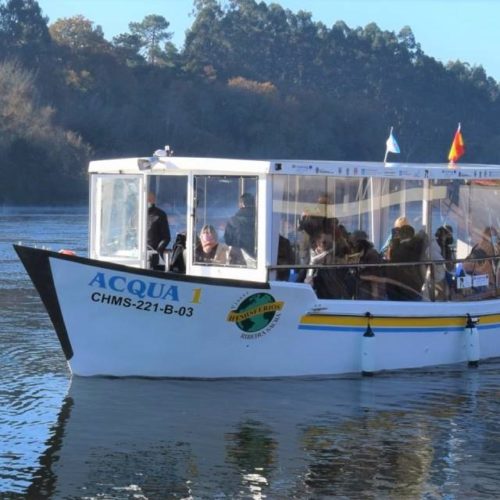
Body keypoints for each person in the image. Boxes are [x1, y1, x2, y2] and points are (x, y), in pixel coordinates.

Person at [348, 230, 383, 299]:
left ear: (360, 242)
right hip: (361, 288)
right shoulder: (362, 254)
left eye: (354, 243)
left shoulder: (371, 254)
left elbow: (374, 274)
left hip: (368, 290)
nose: (353, 246)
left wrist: (375, 293)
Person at [224, 193, 256, 258]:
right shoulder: (262, 220)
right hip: (257, 257)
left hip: (239, 259)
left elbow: (227, 241)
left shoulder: (233, 221)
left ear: (241, 204)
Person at [147, 192, 171, 268]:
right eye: (148, 198)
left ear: (154, 200)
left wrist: (157, 251)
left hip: (154, 257)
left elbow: (166, 238)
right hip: (137, 256)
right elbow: (130, 234)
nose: (149, 200)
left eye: (151, 198)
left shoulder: (160, 215)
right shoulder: (136, 215)